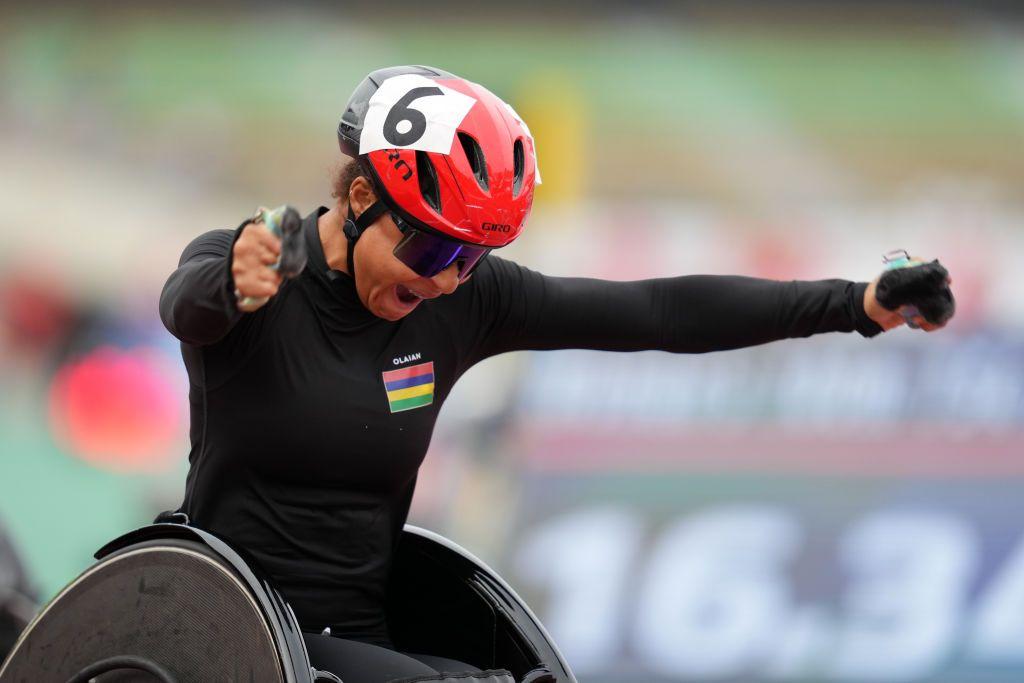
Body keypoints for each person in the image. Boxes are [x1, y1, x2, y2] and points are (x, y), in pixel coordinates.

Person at [159, 65, 954, 682]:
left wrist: (856, 303)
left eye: (471, 259)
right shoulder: (256, 267)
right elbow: (188, 304)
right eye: (433, 250)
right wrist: (232, 281)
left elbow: (658, 313)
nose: (443, 281)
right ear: (362, 195)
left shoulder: (463, 305)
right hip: (220, 629)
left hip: (357, 639)